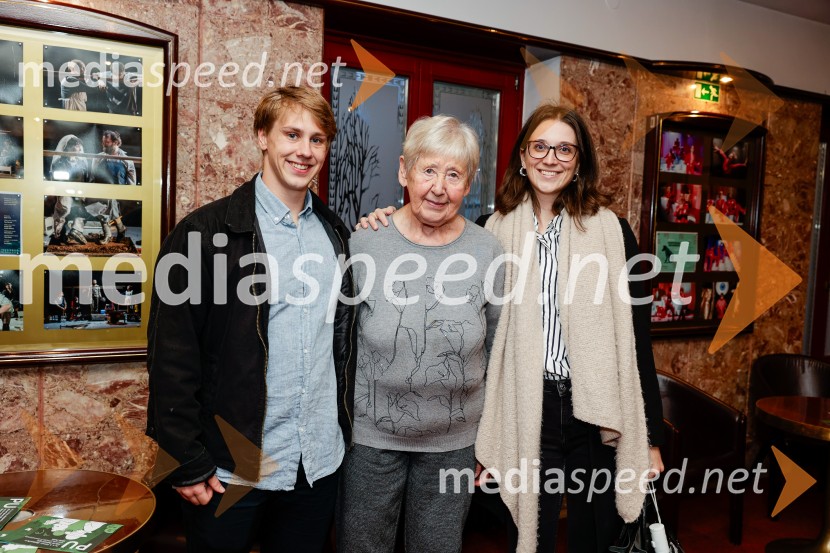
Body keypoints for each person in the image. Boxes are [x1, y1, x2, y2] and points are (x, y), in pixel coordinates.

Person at [146, 86, 356, 553]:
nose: (305, 151)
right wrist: (187, 460)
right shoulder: (203, 234)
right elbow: (170, 356)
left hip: (315, 465)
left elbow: (342, 346)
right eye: (292, 134)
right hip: (230, 469)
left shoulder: (336, 235)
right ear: (262, 136)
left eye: (318, 139)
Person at [473, 104, 664, 553]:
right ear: (522, 155)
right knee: (528, 534)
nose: (550, 158)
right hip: (525, 407)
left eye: (564, 149)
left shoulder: (613, 233)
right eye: (539, 146)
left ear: (579, 162)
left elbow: (637, 341)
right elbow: (478, 343)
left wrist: (650, 437)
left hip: (593, 412)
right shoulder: (490, 232)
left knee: (593, 536)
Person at [338, 115, 504, 553]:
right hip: (371, 439)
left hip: (454, 443)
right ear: (403, 171)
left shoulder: (488, 251)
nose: (438, 187)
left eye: (454, 174)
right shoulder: (365, 243)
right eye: (428, 170)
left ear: (468, 184)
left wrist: (491, 440)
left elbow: (499, 350)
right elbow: (339, 343)